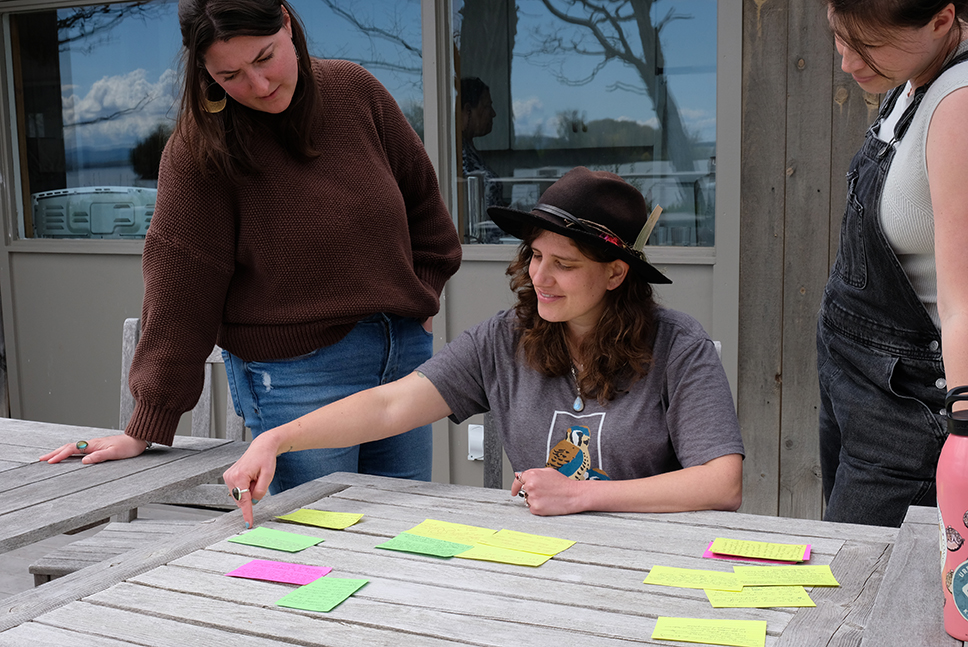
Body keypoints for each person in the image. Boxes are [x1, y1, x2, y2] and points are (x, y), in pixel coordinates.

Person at [40, 0, 462, 494]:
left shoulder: (354, 91)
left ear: (286, 22)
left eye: (264, 58)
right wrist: (148, 424)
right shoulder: (200, 151)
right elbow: (182, 289)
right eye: (230, 74)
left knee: (402, 538)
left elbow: (425, 207)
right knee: (316, 544)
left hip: (404, 363)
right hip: (299, 378)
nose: (258, 86)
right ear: (204, 70)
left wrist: (426, 290)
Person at [224, 167, 744, 526]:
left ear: (615, 273)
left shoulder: (678, 344)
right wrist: (276, 440)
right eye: (536, 256)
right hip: (539, 558)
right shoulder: (505, 337)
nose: (541, 277)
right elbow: (389, 405)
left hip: (655, 558)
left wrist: (581, 494)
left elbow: (722, 483)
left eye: (565, 264)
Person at [819, 1, 968, 526]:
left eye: (869, 48)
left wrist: (964, 427)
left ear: (942, 20)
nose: (848, 63)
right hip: (854, 381)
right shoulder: (910, 82)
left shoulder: (959, 102)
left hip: (906, 408)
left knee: (857, 584)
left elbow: (962, 302)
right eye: (840, 40)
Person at [460, 77, 504, 211]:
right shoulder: (457, 153)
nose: (493, 113)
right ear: (468, 110)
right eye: (487, 106)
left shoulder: (468, 148)